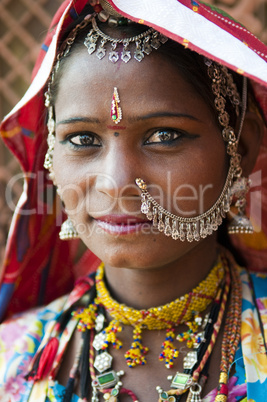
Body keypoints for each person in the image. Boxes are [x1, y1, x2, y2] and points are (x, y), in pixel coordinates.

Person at [0, 0, 267, 401]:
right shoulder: (10, 358)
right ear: (51, 157)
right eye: (83, 139)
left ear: (241, 148)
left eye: (164, 136)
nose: (117, 183)